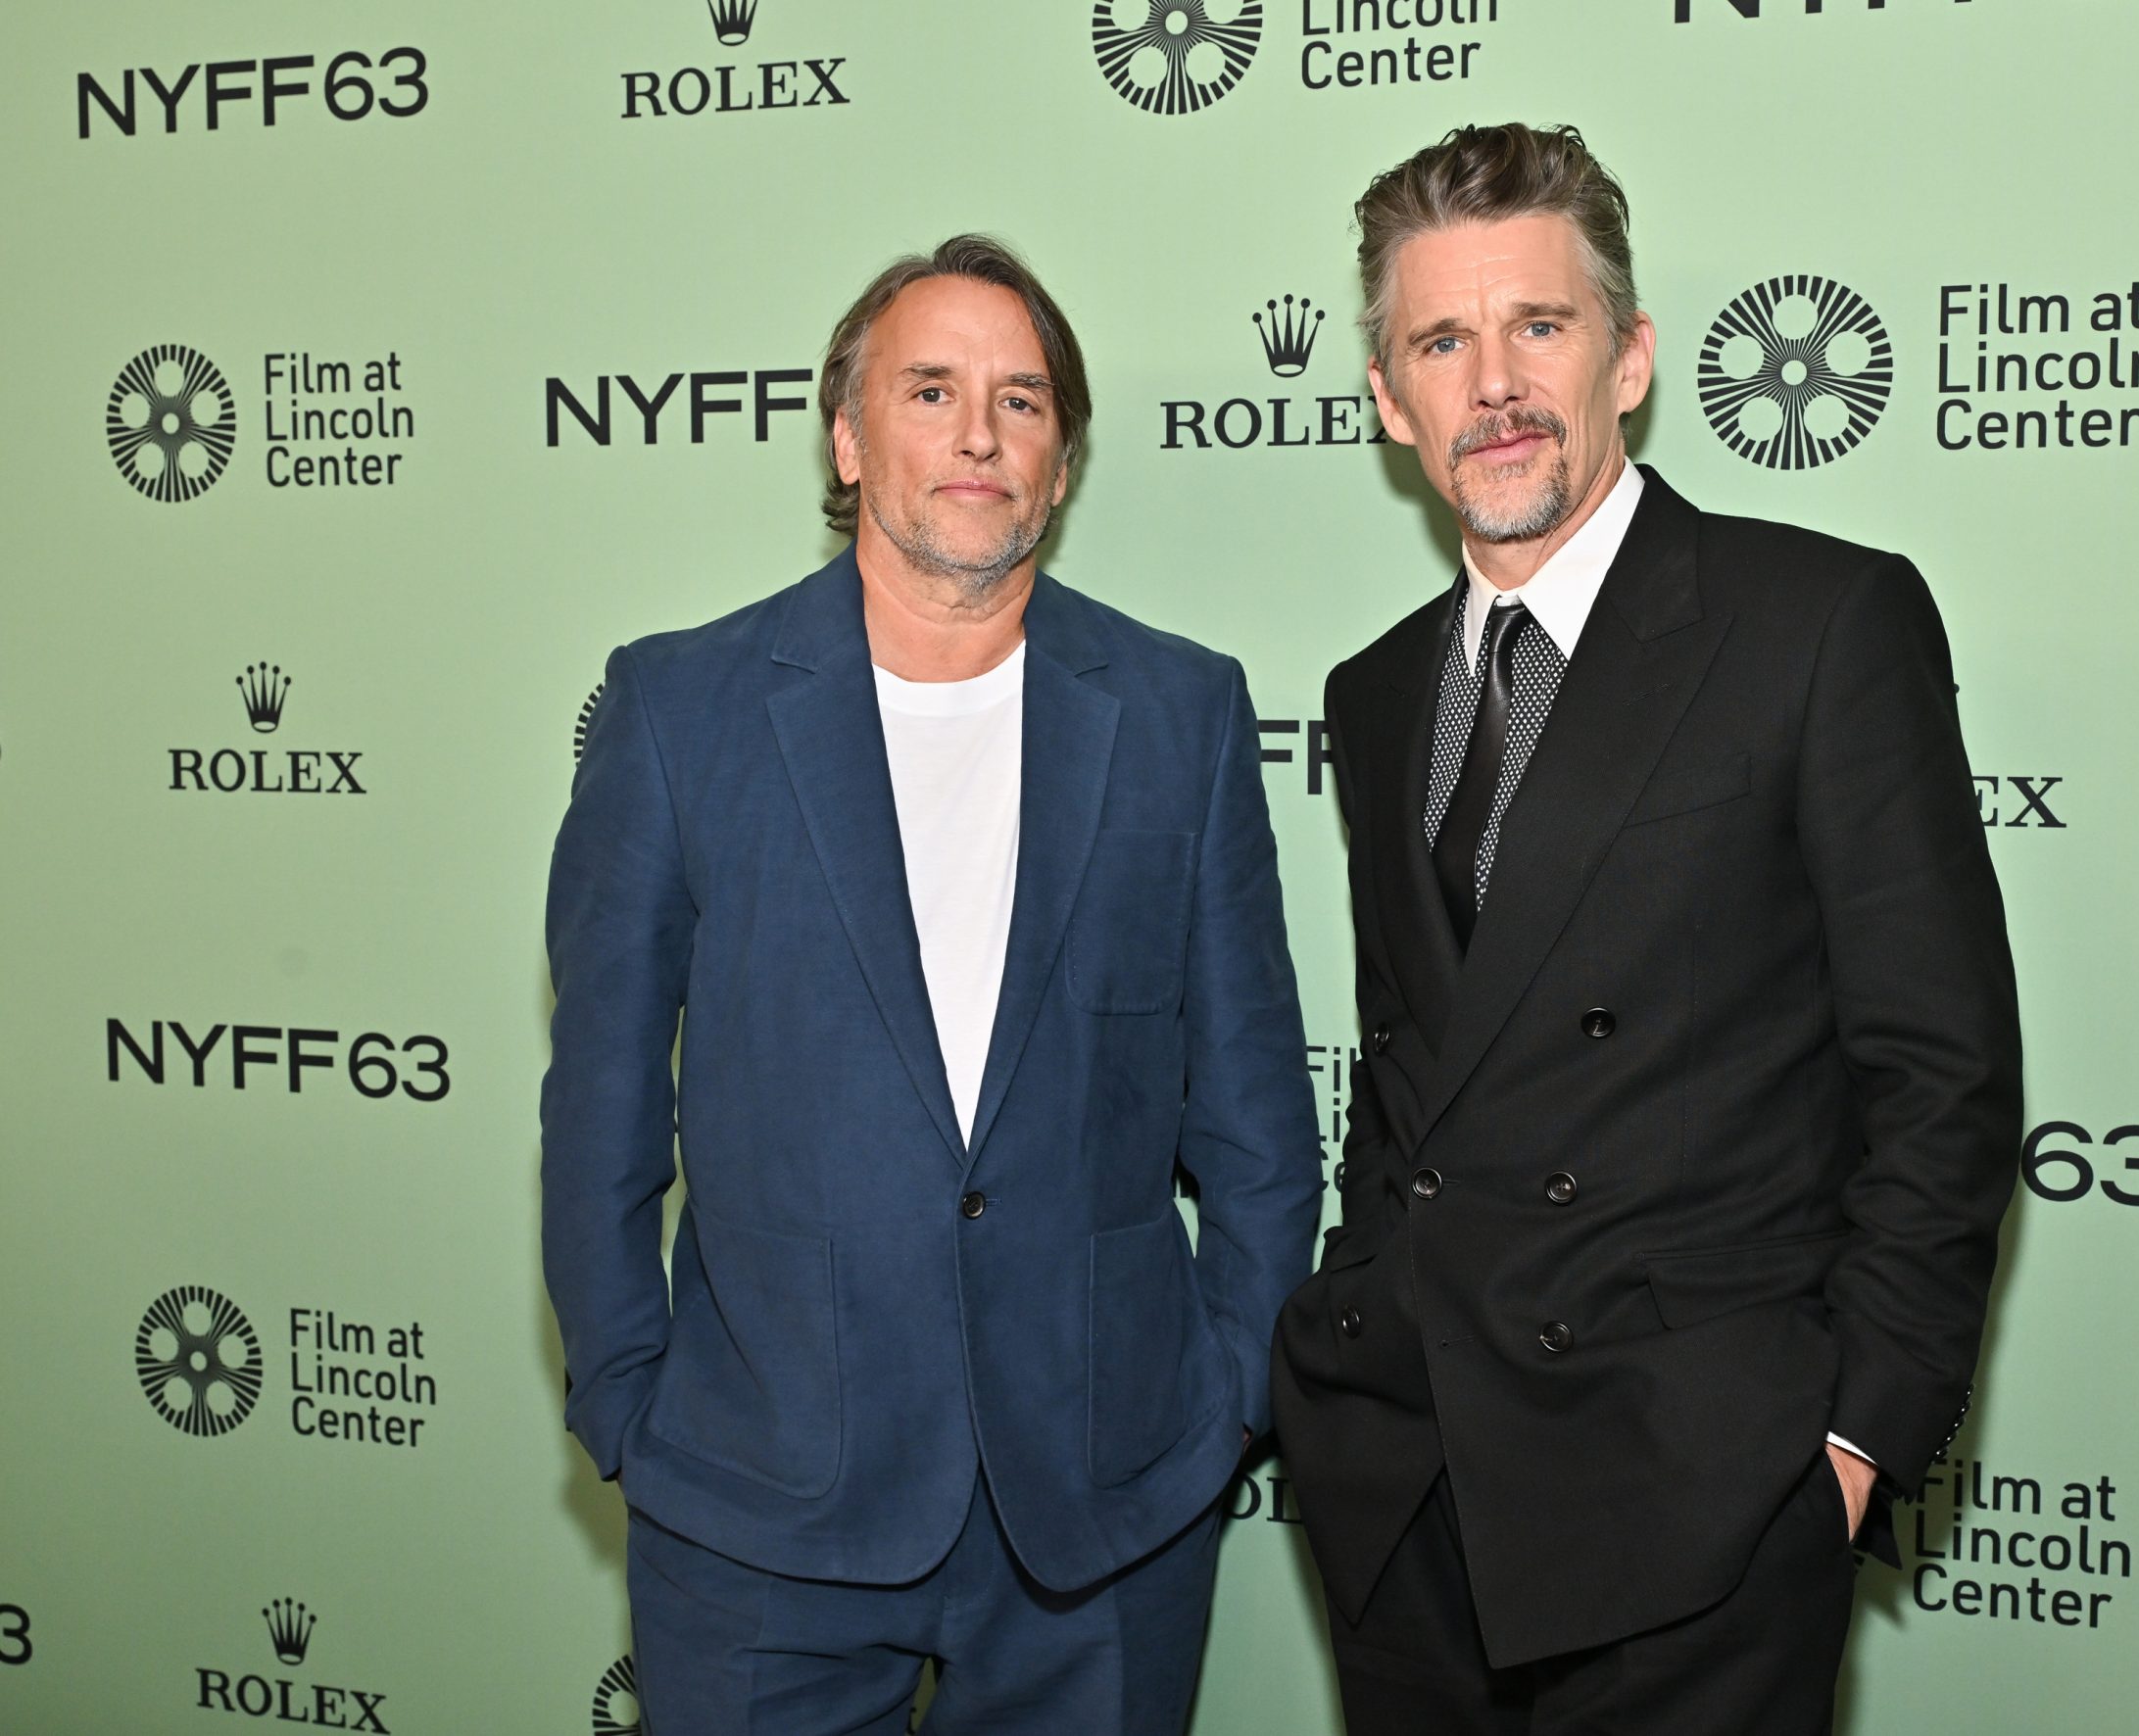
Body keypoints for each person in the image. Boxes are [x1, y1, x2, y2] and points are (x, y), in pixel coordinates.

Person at [1271, 124, 2023, 1734]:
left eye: (1538, 324)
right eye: (1442, 342)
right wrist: (1348, 1327)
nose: (1495, 383)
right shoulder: (1378, 689)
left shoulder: (1816, 622)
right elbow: (1410, 1077)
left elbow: (1941, 1070)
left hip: (1699, 1497)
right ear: (1391, 401)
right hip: (1412, 1488)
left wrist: (1850, 1447)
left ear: (1630, 357)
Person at [542, 234, 1320, 1736]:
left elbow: (1256, 1119)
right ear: (848, 438)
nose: (980, 432)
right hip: (756, 1504)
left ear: (1061, 461)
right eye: (932, 390)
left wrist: (1229, 1398)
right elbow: (602, 1112)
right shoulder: (682, 709)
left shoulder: (1182, 713)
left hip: (1104, 1508)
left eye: (1022, 400)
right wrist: (631, 1403)